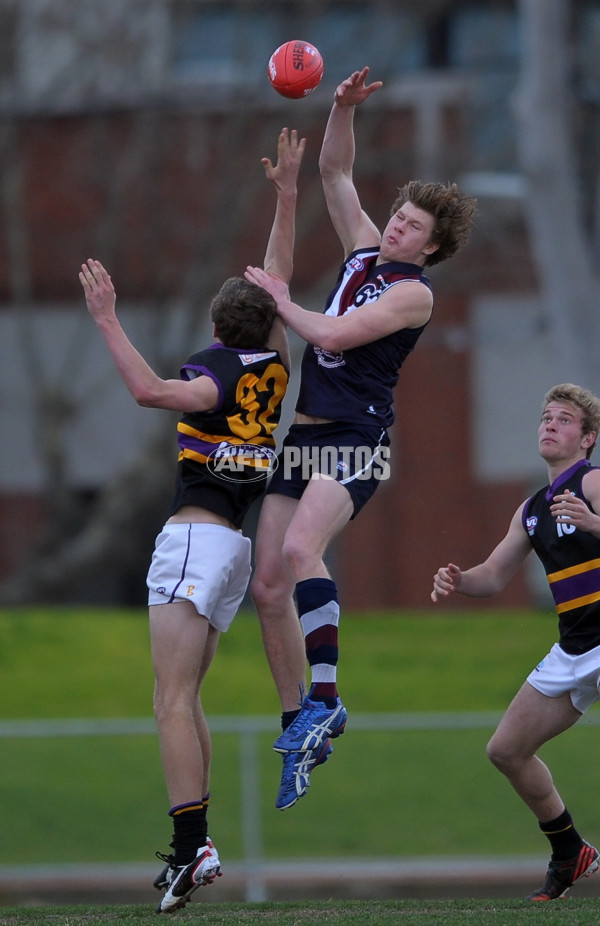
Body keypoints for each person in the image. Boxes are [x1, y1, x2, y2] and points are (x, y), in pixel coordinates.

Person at [79, 127, 305, 913]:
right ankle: (198, 840)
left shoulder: (209, 377)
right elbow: (277, 276)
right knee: (191, 699)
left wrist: (107, 319)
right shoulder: (274, 367)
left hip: (193, 538)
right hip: (235, 551)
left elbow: (149, 394)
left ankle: (187, 848)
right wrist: (285, 196)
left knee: (168, 701)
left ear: (215, 329)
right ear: (267, 323)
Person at [244, 67, 477, 811]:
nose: (398, 226)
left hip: (356, 438)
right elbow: (335, 169)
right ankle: (298, 722)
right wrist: (340, 108)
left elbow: (337, 333)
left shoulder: (413, 295)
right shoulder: (364, 250)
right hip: (304, 436)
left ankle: (329, 697)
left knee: (297, 550)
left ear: (432, 248)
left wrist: (282, 298)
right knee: (267, 584)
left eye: (413, 226)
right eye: (400, 215)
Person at [431, 383, 600, 901]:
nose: (551, 424)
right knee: (506, 749)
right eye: (547, 417)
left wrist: (594, 523)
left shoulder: (592, 483)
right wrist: (461, 579)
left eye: (565, 419)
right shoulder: (532, 508)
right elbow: (494, 575)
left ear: (588, 438)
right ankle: (571, 852)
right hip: (575, 647)